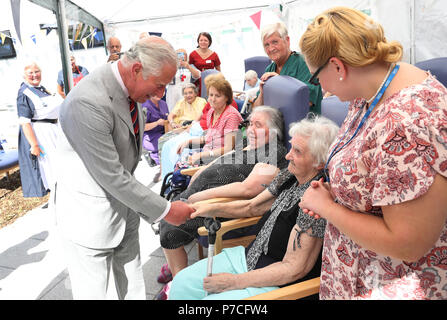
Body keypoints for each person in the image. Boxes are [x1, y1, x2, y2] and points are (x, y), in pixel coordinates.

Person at [298, 7, 447, 300]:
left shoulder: (406, 122)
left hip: (392, 285)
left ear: (338, 67)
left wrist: (329, 208)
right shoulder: (372, 90)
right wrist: (338, 192)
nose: (321, 89)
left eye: (316, 78)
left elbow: (408, 243)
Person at [53, 36, 195, 300]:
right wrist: (166, 210)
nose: (160, 94)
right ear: (137, 70)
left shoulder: (131, 90)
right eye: (159, 85)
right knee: (96, 293)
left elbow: (126, 162)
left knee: (133, 287)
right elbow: (112, 176)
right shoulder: (87, 102)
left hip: (124, 210)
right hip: (90, 219)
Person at [168, 116, 339, 300]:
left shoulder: (316, 199)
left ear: (319, 163)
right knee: (182, 283)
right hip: (248, 257)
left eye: (297, 152)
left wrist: (234, 282)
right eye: (291, 148)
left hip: (276, 283)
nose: (288, 155)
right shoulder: (289, 175)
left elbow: (294, 268)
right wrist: (205, 208)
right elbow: (252, 206)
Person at [252, 22, 323, 114]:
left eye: (275, 42)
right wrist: (261, 94)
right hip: (278, 126)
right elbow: (256, 110)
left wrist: (279, 82)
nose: (271, 49)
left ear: (287, 40)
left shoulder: (305, 63)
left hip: (306, 125)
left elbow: (305, 102)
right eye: (266, 45)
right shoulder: (269, 69)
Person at [16, 62, 63, 197]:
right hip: (42, 134)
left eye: (37, 71)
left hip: (54, 129)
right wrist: (34, 145)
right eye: (30, 73)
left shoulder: (42, 88)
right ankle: (56, 197)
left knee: (60, 164)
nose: (34, 75)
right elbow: (25, 122)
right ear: (24, 75)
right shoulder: (24, 93)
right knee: (51, 167)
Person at [189, 32, 221, 96]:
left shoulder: (214, 55)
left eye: (205, 40)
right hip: (197, 84)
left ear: (209, 42)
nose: (203, 42)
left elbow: (218, 71)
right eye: (201, 40)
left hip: (210, 83)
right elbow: (190, 69)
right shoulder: (192, 54)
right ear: (198, 41)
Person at [141, 94, 169, 167]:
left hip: (164, 133)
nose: (158, 93)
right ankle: (154, 157)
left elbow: (167, 118)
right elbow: (142, 127)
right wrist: (157, 123)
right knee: (166, 144)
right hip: (150, 136)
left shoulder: (163, 103)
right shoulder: (145, 105)